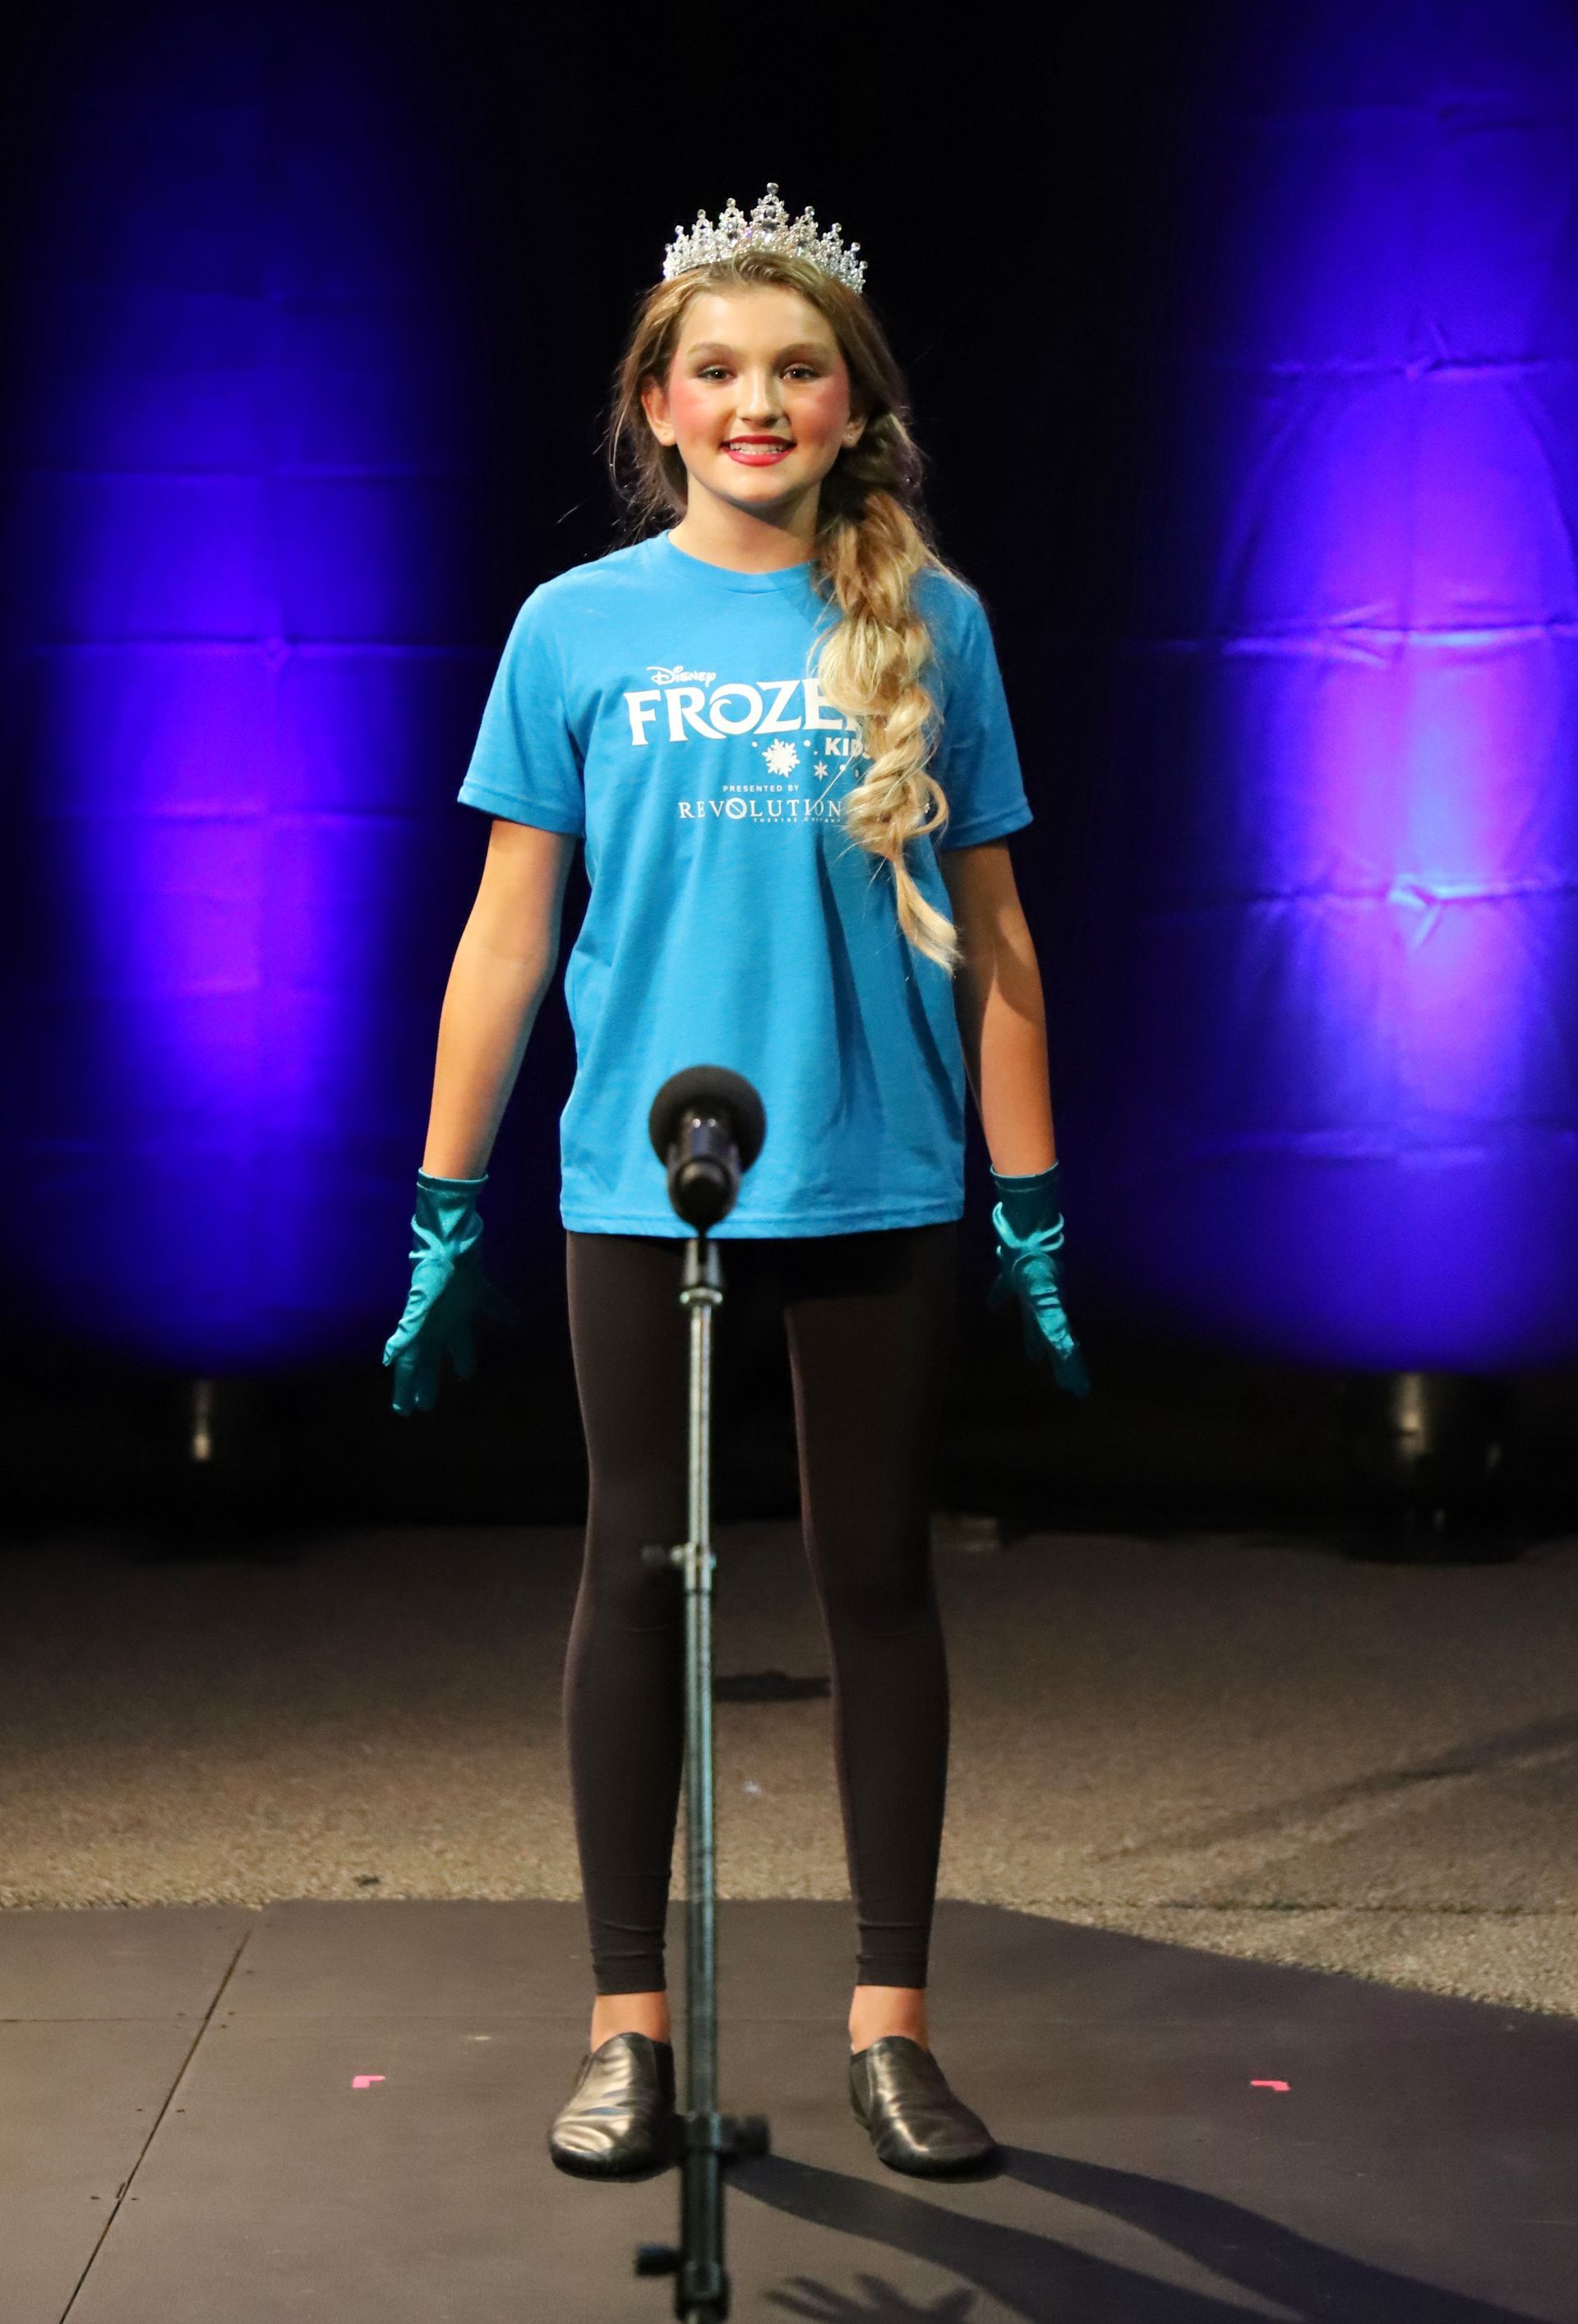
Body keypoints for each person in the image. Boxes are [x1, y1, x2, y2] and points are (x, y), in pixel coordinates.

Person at [382, 185, 1087, 2183]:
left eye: (798, 369)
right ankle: (628, 2030)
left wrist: (1026, 1198)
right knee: (637, 1569)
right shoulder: (579, 627)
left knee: (876, 1580)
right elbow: (511, 931)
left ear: (853, 403)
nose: (758, 400)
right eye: (720, 371)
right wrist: (447, 1200)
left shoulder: (930, 622)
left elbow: (1001, 927)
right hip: (649, 1179)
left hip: (874, 1172)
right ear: (660, 405)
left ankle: (892, 2021)